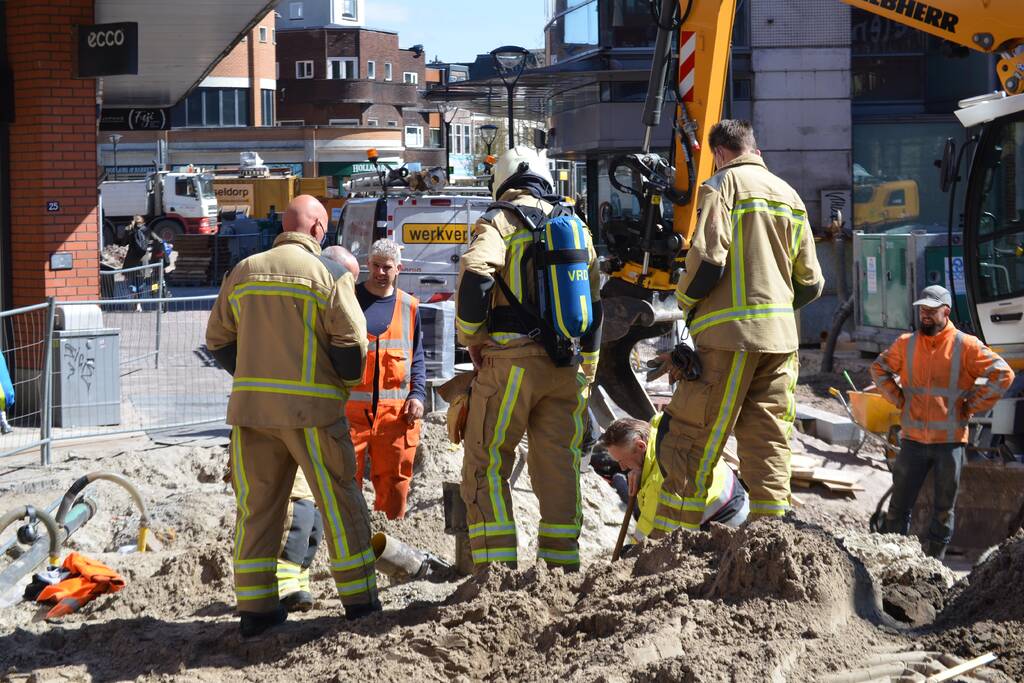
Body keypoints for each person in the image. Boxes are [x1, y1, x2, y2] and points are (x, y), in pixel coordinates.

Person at [206, 195, 379, 637]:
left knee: (258, 509)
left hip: (252, 413)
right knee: (339, 502)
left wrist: (251, 376)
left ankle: (256, 609)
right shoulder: (331, 273)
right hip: (313, 413)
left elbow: (218, 340)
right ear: (319, 229)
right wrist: (339, 385)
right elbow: (351, 348)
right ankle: (360, 603)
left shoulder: (243, 271)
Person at [658, 119, 824, 530]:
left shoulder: (721, 187)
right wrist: (779, 313)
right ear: (754, 148)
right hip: (782, 344)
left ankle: (669, 553)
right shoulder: (790, 196)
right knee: (769, 442)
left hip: (728, 340)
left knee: (692, 439)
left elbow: (709, 258)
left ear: (718, 154)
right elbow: (812, 283)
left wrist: (685, 302)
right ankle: (769, 543)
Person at [455, 146, 603, 571]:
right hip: (567, 370)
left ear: (503, 181)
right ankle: (560, 570)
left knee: (486, 460)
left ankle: (495, 574)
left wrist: (473, 337)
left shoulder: (498, 220)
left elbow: (476, 272)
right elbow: (594, 305)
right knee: (559, 466)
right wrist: (587, 368)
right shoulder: (575, 226)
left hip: (512, 366)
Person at [870, 285, 1013, 559]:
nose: (925, 315)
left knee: (944, 509)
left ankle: (933, 564)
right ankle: (891, 559)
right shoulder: (906, 344)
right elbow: (878, 369)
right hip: (912, 440)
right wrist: (899, 399)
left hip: (950, 444)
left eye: (931, 311)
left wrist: (972, 404)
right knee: (899, 506)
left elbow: (1003, 374)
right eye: (922, 310)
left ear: (945, 311)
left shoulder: (965, 345)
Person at [272, 245, 361, 613]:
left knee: (315, 514)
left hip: (312, 414)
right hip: (289, 415)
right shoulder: (311, 297)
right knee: (300, 509)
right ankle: (284, 585)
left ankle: (297, 581)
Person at [346, 239, 425, 520]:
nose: (380, 272)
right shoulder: (349, 299)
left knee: (394, 483)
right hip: (350, 417)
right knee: (342, 483)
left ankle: (390, 543)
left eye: (387, 267)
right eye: (375, 266)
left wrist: (418, 396)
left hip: (396, 418)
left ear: (399, 269)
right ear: (368, 265)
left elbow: (417, 359)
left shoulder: (409, 306)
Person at [599, 415, 748, 541]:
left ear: (640, 446)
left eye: (622, 461)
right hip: (740, 498)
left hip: (726, 525)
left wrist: (629, 553)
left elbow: (647, 534)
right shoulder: (663, 428)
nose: (623, 468)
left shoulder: (660, 479)